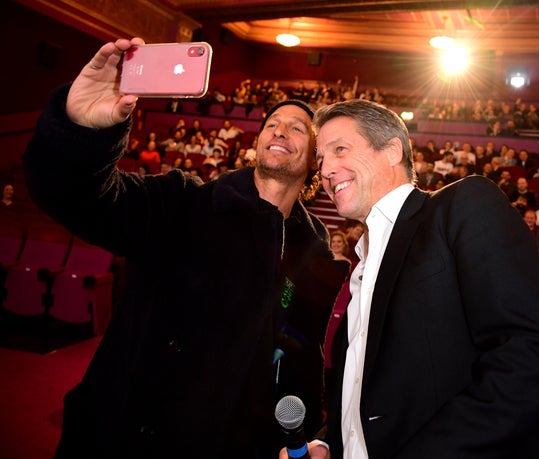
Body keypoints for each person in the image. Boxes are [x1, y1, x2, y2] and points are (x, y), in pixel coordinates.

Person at [22, 38, 347, 459]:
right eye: (272, 124)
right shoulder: (183, 201)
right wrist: (82, 129)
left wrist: (302, 438)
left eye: (298, 127)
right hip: (124, 437)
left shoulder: (313, 254)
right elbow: (78, 197)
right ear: (256, 143)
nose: (281, 129)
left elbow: (302, 361)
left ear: (313, 163)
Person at [313, 99, 539, 458]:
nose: (325, 169)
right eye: (321, 158)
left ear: (391, 150)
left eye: (339, 149)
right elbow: (363, 384)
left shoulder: (462, 206)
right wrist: (330, 441)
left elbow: (529, 358)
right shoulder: (360, 265)